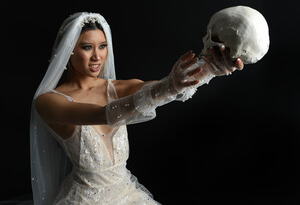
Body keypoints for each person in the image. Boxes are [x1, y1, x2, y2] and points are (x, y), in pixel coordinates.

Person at [30, 12, 243, 205]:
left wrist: (210, 68)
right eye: (87, 47)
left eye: (102, 46)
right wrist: (167, 87)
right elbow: (104, 114)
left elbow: (162, 91)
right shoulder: (48, 101)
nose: (97, 56)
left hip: (127, 196)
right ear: (69, 51)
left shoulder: (119, 88)